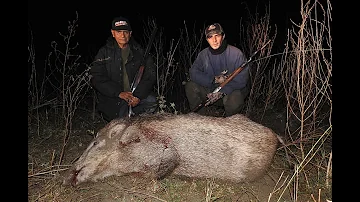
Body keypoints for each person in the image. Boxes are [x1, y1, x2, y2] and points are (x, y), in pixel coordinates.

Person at [90, 16, 157, 122]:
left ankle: (137, 121)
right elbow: (96, 77)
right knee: (122, 122)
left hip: (134, 96)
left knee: (151, 101)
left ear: (130, 33)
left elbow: (150, 76)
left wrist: (138, 96)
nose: (122, 35)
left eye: (125, 32)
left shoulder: (139, 52)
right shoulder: (103, 53)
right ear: (113, 33)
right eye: (119, 31)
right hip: (114, 98)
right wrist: (119, 93)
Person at [185, 23, 250, 117]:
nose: (214, 40)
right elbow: (193, 73)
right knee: (190, 86)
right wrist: (213, 80)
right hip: (211, 93)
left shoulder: (236, 54)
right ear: (207, 39)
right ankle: (199, 120)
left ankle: (230, 125)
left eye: (217, 36)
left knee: (235, 98)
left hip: (228, 93)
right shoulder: (203, 55)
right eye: (210, 37)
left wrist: (223, 91)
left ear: (223, 36)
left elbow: (242, 80)